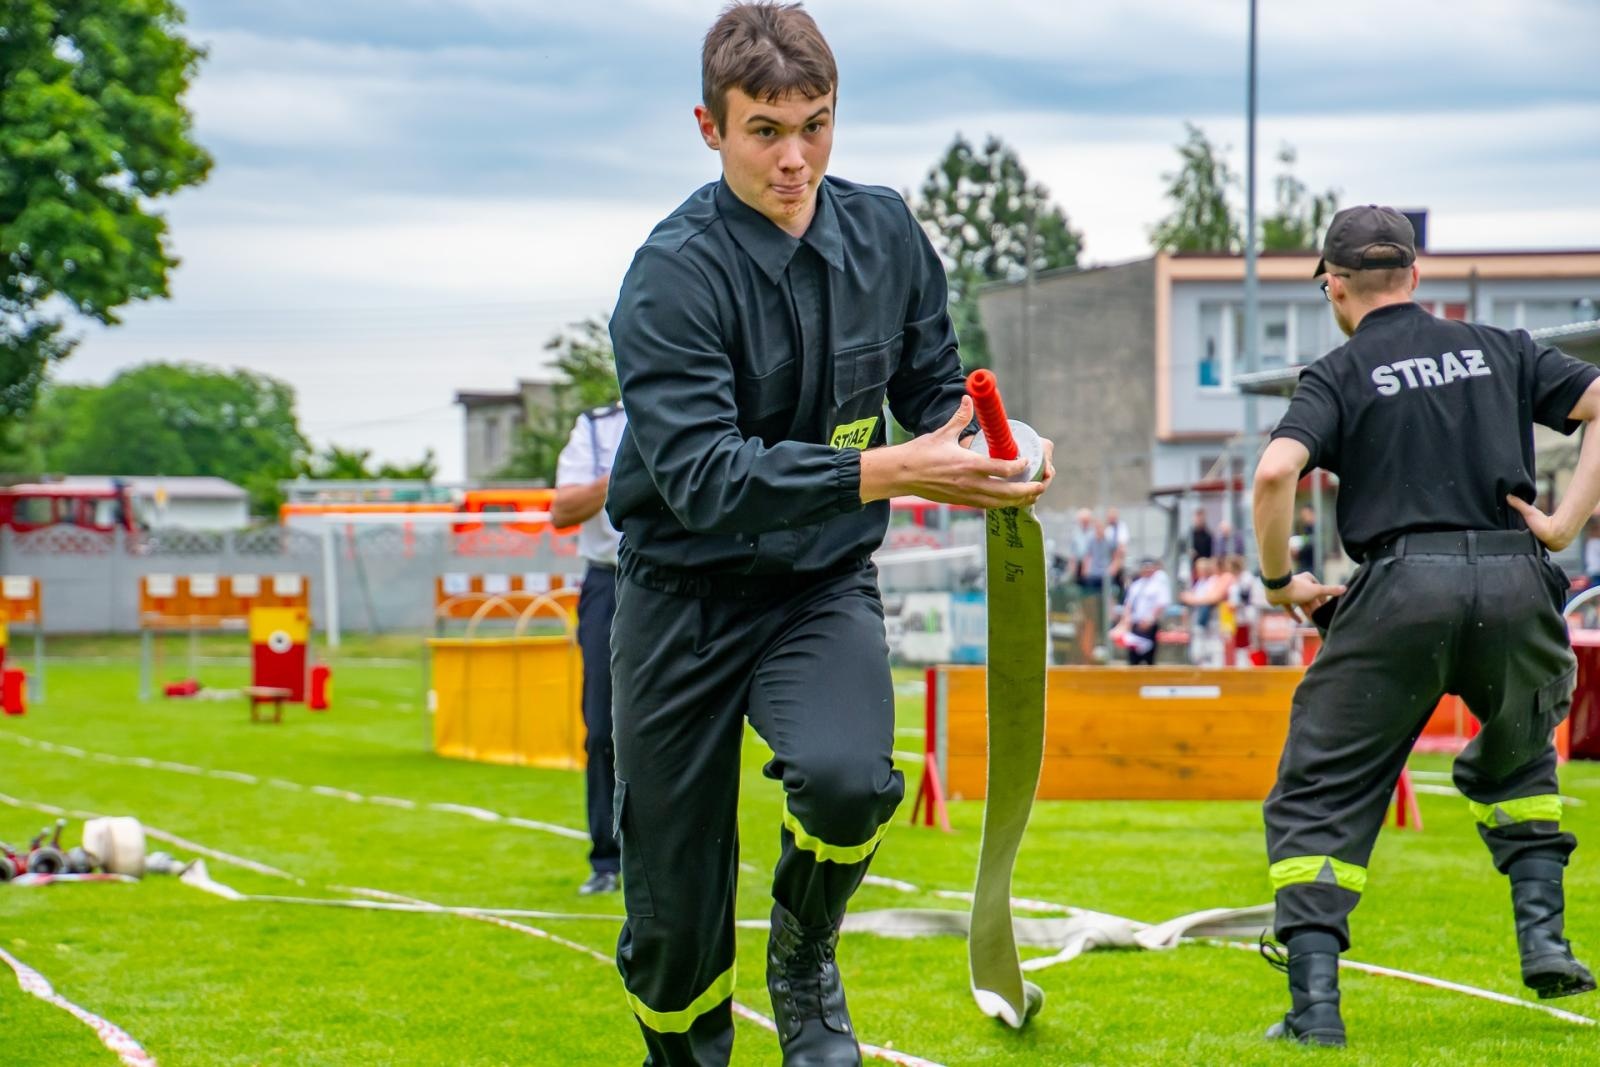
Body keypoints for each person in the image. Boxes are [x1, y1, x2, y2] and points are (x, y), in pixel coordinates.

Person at [604, 5, 1054, 1063]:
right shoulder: (670, 277)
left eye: (816, 123)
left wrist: (1004, 445)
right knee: (670, 929)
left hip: (818, 586)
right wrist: (897, 468)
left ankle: (803, 951)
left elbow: (936, 393)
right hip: (680, 595)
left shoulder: (887, 231)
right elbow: (707, 480)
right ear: (709, 129)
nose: (795, 156)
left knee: (853, 779)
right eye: (765, 129)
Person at [1252, 204, 1599, 1048]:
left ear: (1333, 285)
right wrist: (1563, 525)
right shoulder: (1502, 347)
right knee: (1522, 753)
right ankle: (1545, 939)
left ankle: (1315, 1008)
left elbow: (1273, 473)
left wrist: (1278, 581)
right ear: (1415, 274)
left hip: (1402, 588)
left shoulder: (1335, 371)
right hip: (1518, 580)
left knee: (1323, 787)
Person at [551, 400, 627, 896]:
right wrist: (630, 468)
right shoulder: (597, 428)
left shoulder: (707, 401)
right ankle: (606, 860)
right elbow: (563, 509)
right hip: (610, 581)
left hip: (689, 581)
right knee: (602, 728)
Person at [1113, 557, 1170, 666]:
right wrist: (1126, 620)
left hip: (1149, 624)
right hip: (1135, 623)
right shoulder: (1136, 585)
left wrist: (1150, 619)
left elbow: (1161, 603)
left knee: (1148, 658)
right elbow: (1128, 604)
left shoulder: (1158, 585)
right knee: (1133, 658)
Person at [1178, 555, 1233, 667]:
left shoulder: (1225, 577)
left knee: (1215, 650)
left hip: (1217, 620)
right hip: (1203, 621)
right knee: (1199, 652)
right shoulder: (1203, 581)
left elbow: (1213, 598)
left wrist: (1191, 599)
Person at [1294, 504, 1317, 575]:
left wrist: (1299, 552)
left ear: (1312, 514)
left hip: (1313, 566)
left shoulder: (1316, 529)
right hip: (1303, 565)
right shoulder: (1304, 529)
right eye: (1303, 516)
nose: (1304, 518)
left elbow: (1311, 544)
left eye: (1306, 515)